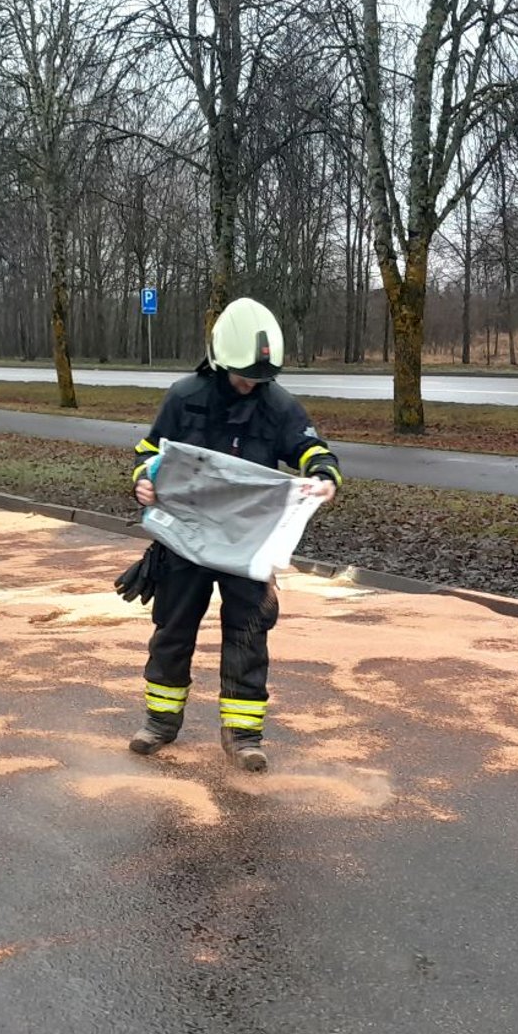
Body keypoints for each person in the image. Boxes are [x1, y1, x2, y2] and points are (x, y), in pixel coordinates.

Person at [127, 297, 341, 773]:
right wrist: (144, 480)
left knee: (248, 633)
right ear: (221, 361)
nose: (253, 385)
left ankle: (243, 735)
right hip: (186, 540)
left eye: (262, 378)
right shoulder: (185, 398)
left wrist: (324, 475)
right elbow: (148, 453)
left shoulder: (277, 405)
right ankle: (160, 723)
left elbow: (310, 449)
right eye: (246, 376)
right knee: (173, 631)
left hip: (248, 545)